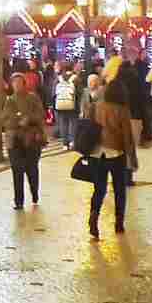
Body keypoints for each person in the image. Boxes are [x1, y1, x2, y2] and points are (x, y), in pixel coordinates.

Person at [88, 83, 136, 239]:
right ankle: (119, 223)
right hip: (116, 152)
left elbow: (89, 126)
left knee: (99, 188)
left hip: (96, 152)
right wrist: (132, 156)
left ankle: (94, 215)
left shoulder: (96, 107)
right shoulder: (122, 110)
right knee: (119, 189)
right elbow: (127, 135)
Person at [1, 72, 47, 210]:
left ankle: (34, 193)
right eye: (14, 83)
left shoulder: (33, 98)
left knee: (32, 169)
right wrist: (19, 120)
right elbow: (5, 119)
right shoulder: (9, 100)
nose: (17, 86)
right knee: (17, 169)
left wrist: (29, 119)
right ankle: (18, 201)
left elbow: (40, 115)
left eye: (19, 83)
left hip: (31, 139)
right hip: (14, 140)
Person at [53, 65, 79, 147]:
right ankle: (72, 141)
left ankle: (65, 143)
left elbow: (53, 93)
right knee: (73, 123)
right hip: (73, 104)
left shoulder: (58, 78)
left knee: (63, 123)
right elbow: (80, 92)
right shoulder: (76, 78)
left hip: (60, 105)